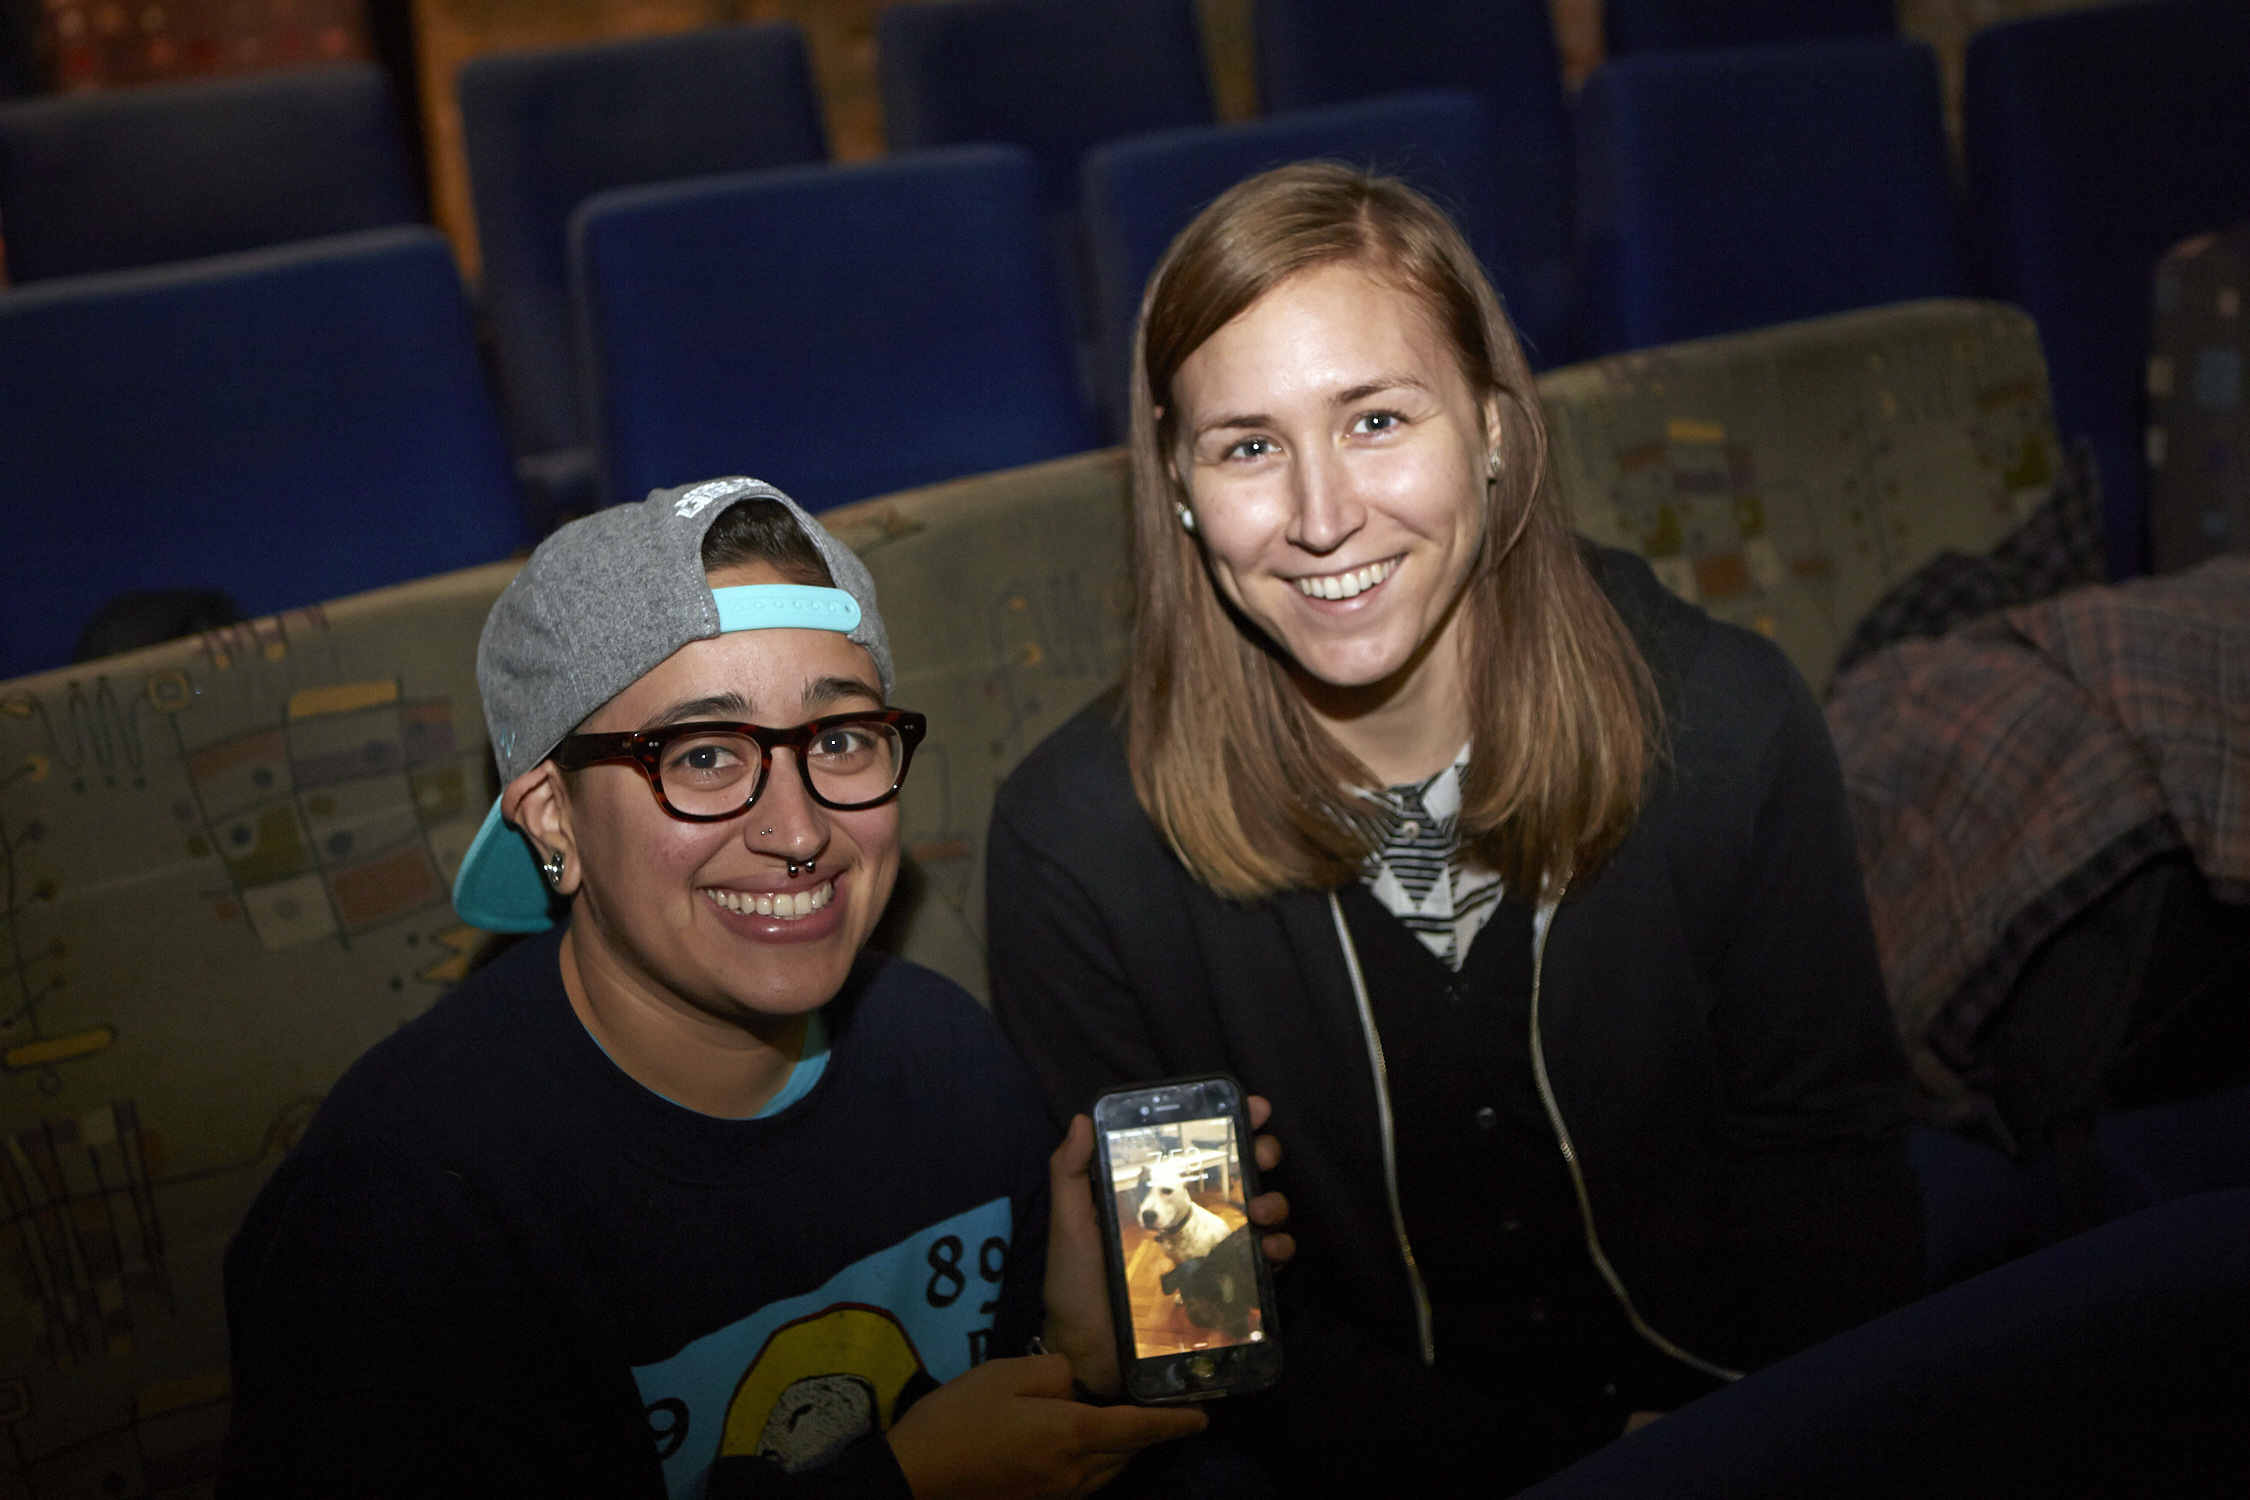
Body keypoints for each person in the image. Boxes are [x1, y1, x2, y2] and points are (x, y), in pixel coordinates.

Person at [985, 164, 1923, 1492]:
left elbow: (1831, 1179)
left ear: (1489, 427)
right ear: (1180, 488)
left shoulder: (1722, 723)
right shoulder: (1081, 851)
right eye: (1248, 444)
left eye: (1374, 419)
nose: (1320, 519)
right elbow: (1203, 1330)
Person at [219, 479, 1289, 1500]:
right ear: (553, 818)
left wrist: (1074, 1354)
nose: (798, 830)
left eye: (837, 738)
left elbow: (998, 1433)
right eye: (702, 756)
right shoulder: (395, 1214)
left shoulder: (946, 1061)